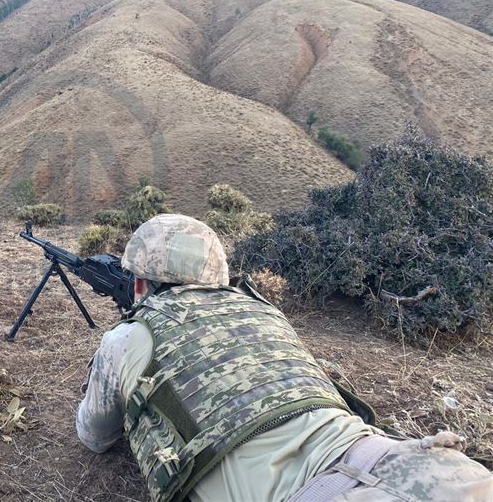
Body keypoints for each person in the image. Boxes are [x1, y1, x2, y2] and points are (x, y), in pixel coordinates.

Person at [76, 214, 492, 502]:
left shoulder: (125, 339)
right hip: (415, 462)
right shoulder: (265, 312)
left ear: (139, 286)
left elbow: (95, 436)